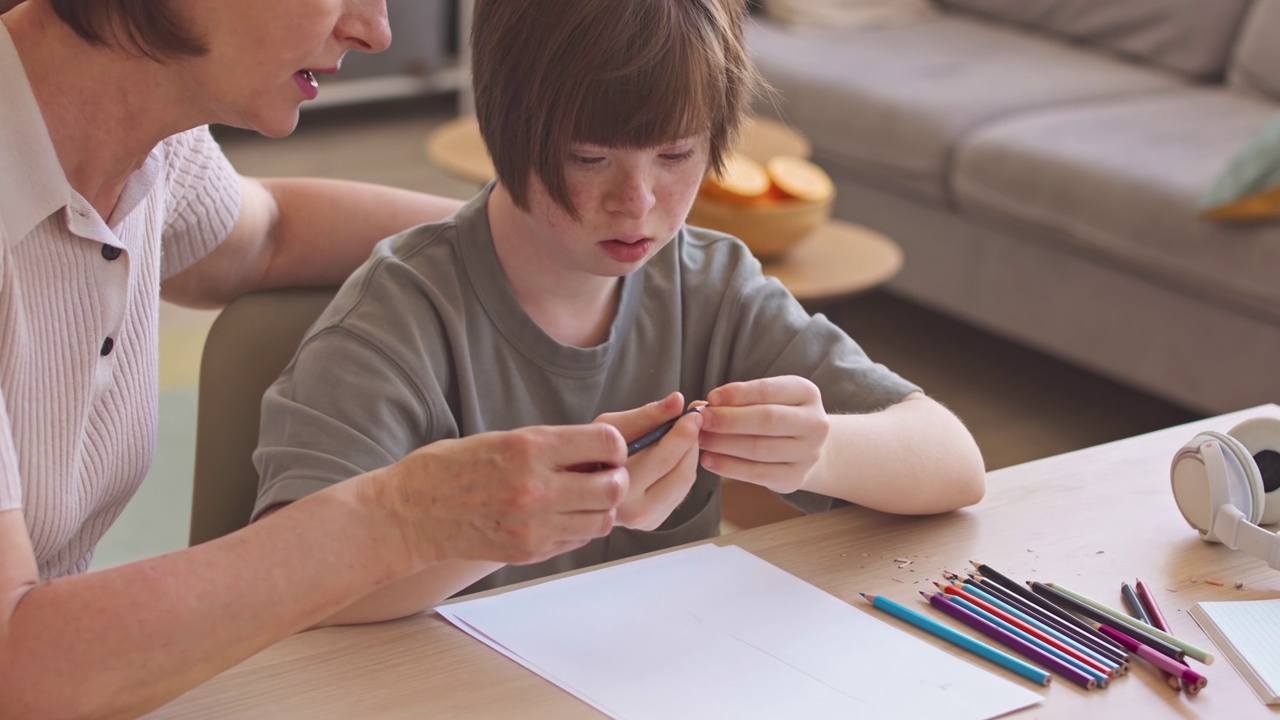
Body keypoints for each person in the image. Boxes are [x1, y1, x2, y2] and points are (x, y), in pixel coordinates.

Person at [253, 0, 987, 623]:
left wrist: (820, 451)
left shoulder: (710, 283)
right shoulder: (401, 318)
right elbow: (280, 587)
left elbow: (953, 462)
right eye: (588, 157)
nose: (636, 203)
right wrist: (534, 519)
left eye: (675, 156)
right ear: (504, 129)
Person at [0, 1, 636, 717]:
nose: (375, 29)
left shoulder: (145, 147)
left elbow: (266, 234)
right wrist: (398, 518)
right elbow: (14, 663)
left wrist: (540, 242)